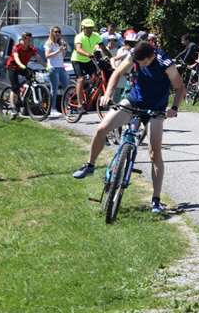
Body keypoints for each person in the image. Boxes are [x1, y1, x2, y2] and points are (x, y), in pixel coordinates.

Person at [72, 40, 186, 214]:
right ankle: (90, 165)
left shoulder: (166, 63)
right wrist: (108, 94)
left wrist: (175, 108)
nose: (138, 65)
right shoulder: (135, 54)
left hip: (155, 109)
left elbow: (179, 87)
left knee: (155, 152)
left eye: (142, 63)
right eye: (137, 62)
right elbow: (117, 72)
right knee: (102, 128)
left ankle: (155, 200)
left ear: (151, 57)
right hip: (133, 101)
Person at [71, 19, 104, 116]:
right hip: (77, 60)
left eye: (91, 28)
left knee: (96, 77)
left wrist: (111, 58)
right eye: (87, 28)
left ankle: (85, 90)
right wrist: (88, 54)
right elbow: (78, 49)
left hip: (88, 60)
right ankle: (80, 105)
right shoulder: (79, 37)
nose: (89, 30)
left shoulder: (96, 36)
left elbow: (104, 48)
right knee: (80, 79)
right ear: (83, 28)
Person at [5, 31, 39, 111]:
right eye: (29, 39)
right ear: (24, 39)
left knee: (31, 77)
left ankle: (23, 93)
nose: (30, 41)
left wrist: (46, 66)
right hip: (12, 67)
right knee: (14, 87)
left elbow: (38, 58)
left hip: (22, 67)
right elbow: (16, 57)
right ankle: (12, 107)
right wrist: (20, 64)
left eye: (31, 39)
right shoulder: (17, 47)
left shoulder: (31, 49)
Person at [44, 27, 69, 118]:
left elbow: (62, 56)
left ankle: (67, 107)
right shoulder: (49, 43)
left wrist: (64, 50)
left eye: (59, 32)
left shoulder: (60, 43)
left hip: (61, 67)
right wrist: (58, 51)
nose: (57, 33)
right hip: (53, 68)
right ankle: (52, 109)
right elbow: (47, 56)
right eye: (55, 32)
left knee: (67, 87)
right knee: (54, 89)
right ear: (52, 33)